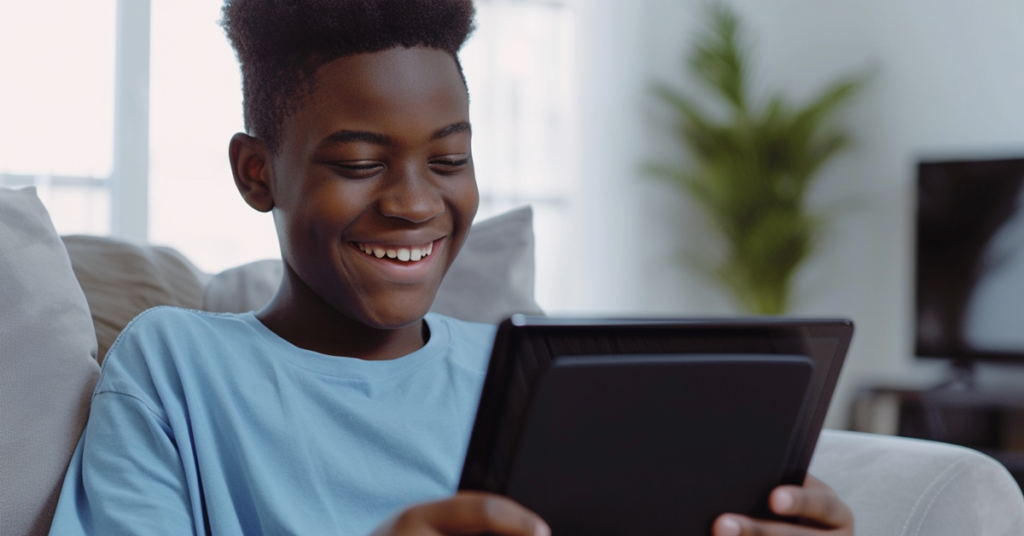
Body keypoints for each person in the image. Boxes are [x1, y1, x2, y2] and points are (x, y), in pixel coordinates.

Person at [49, 1, 854, 535]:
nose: (415, 203)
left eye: (449, 158)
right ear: (258, 173)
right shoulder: (176, 366)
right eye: (361, 162)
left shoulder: (530, 375)